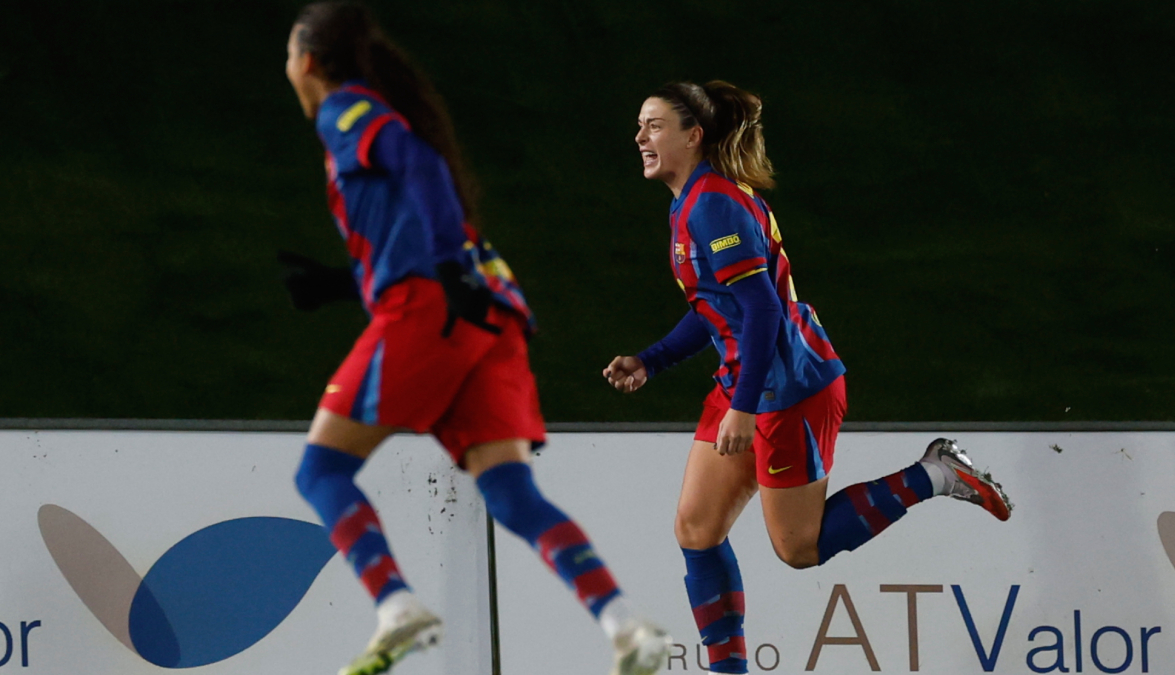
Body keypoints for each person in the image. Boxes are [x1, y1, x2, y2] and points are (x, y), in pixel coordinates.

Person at [282, 4, 670, 674]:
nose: (287, 67)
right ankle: (627, 625)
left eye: (288, 54)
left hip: (436, 304)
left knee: (320, 469)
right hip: (489, 310)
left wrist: (446, 268)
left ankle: (396, 606)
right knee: (512, 494)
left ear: (308, 63)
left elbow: (421, 166)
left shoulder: (341, 110)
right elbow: (410, 222)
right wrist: (342, 284)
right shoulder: (362, 117)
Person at [604, 80, 1013, 674]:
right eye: (641, 125)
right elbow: (717, 307)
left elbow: (764, 309)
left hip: (788, 387)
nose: (641, 136)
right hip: (748, 378)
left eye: (655, 125)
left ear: (693, 135)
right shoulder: (688, 202)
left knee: (798, 548)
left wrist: (744, 408)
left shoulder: (715, 204)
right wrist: (652, 359)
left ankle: (935, 475)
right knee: (696, 527)